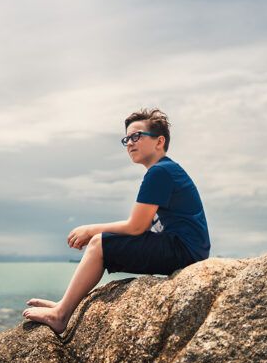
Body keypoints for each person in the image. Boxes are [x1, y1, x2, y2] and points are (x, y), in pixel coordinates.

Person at [22, 108, 211, 334]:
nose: (130, 143)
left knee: (99, 243)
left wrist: (90, 230)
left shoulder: (161, 172)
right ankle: (66, 304)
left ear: (159, 141)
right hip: (184, 249)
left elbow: (136, 226)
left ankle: (61, 315)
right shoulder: (165, 170)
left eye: (137, 136)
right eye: (127, 139)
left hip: (182, 250)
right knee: (104, 243)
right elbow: (141, 227)